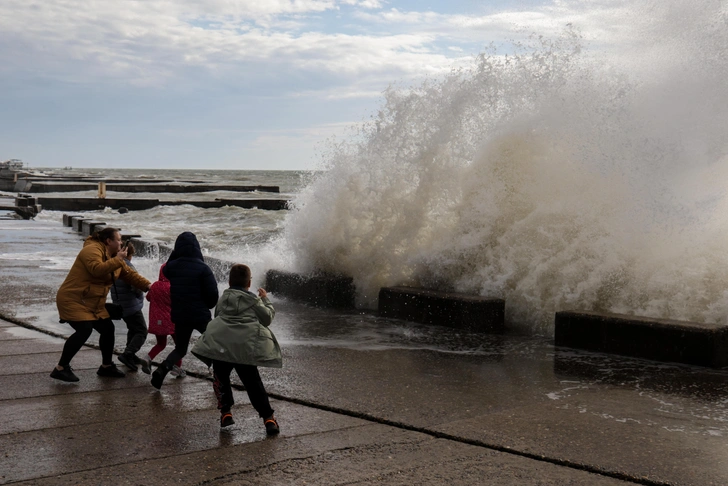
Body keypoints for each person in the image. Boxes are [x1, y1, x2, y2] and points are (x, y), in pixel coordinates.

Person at [52, 227, 151, 382]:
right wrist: (118, 259)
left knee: (107, 329)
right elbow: (96, 269)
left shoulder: (113, 256)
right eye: (118, 239)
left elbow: (130, 275)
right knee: (84, 330)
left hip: (92, 302)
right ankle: (61, 367)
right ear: (108, 241)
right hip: (74, 299)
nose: (121, 242)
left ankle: (106, 366)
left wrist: (150, 287)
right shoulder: (91, 250)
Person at [191, 264, 281, 434]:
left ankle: (226, 413)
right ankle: (268, 419)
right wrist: (265, 299)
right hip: (244, 347)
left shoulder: (223, 299)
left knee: (221, 378)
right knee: (253, 383)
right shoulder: (254, 300)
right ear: (249, 283)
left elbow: (218, 315)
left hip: (222, 346)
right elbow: (267, 318)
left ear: (229, 281)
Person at [151, 231, 218, 389]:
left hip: (180, 316)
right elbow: (213, 296)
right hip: (200, 316)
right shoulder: (204, 269)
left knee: (180, 349)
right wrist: (207, 305)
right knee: (215, 345)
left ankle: (162, 369)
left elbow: (166, 269)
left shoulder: (172, 267)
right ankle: (219, 376)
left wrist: (175, 254)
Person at [110, 241, 151, 373]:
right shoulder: (127, 266)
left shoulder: (113, 264)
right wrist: (140, 294)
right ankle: (128, 354)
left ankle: (130, 355)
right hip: (130, 304)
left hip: (120, 303)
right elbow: (136, 285)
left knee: (133, 329)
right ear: (128, 253)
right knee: (142, 331)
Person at [143, 263, 185, 377]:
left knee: (161, 344)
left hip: (156, 321)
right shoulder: (173, 287)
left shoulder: (155, 285)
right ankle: (177, 368)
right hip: (171, 321)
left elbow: (148, 298)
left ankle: (148, 358)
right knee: (179, 346)